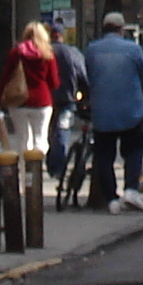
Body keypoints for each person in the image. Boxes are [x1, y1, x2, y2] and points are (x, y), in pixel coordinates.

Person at [81, 12, 143, 213]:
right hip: (131, 109)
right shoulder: (133, 49)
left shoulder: (92, 50)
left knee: (104, 156)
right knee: (135, 150)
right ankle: (131, 190)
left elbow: (88, 76)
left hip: (102, 111)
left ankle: (111, 199)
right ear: (121, 29)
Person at [0, 20, 60, 160]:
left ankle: (25, 174)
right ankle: (37, 172)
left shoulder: (16, 53)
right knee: (40, 139)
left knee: (23, 139)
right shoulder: (47, 54)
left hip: (18, 101)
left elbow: (5, 77)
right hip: (42, 101)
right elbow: (54, 83)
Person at [45, 18, 89, 193]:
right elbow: (82, 75)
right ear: (61, 36)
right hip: (66, 99)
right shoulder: (71, 52)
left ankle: (51, 164)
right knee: (62, 132)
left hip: (47, 99)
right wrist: (85, 95)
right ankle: (58, 167)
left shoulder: (44, 51)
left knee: (48, 133)